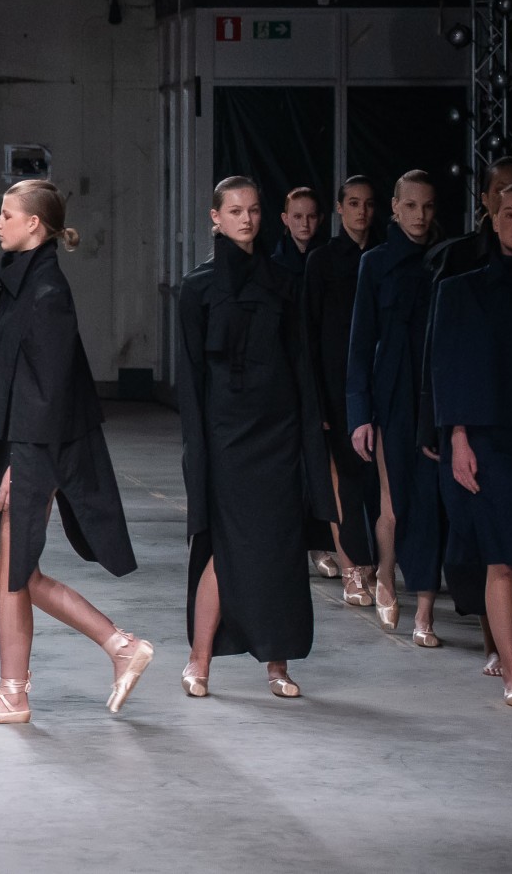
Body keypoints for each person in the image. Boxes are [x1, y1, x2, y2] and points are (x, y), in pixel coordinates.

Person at [0, 180, 144, 724]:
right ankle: (31, 685)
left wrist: (20, 464)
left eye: (6, 214)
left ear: (34, 224)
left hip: (35, 445)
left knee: (15, 569)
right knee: (16, 569)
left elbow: (50, 390)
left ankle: (106, 651)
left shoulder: (47, 290)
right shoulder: (24, 281)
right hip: (21, 441)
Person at [178, 176, 336, 699]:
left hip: (278, 436)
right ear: (215, 218)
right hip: (225, 437)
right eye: (235, 211)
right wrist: (197, 448)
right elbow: (192, 377)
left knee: (280, 549)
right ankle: (199, 660)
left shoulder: (284, 282)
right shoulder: (198, 288)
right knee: (224, 546)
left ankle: (277, 664)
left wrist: (309, 436)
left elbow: (301, 363)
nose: (246, 219)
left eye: (253, 210)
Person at [421, 156, 512, 676]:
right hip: (488, 439)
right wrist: (456, 437)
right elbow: (446, 369)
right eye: (510, 215)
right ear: (493, 217)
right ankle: (511, 670)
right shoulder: (461, 289)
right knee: (502, 557)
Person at [347, 170, 445, 646]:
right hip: (391, 396)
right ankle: (386, 573)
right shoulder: (375, 262)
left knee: (429, 502)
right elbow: (360, 343)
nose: (419, 216)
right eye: (410, 206)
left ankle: (425, 610)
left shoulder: (445, 260)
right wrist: (359, 416)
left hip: (436, 395)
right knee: (393, 502)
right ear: (394, 207)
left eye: (427, 207)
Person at [303, 176, 380, 606]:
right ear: (339, 208)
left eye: (367, 204)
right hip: (333, 388)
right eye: (353, 203)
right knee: (344, 482)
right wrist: (316, 401)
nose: (360, 211)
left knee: (374, 485)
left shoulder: (382, 257)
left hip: (376, 385)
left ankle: (374, 568)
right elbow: (310, 334)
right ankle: (352, 570)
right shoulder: (323, 261)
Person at [272, 186, 323, 276]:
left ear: (320, 219)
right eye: (298, 217)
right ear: (285, 219)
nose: (305, 223)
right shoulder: (272, 265)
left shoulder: (331, 260)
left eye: (312, 216)